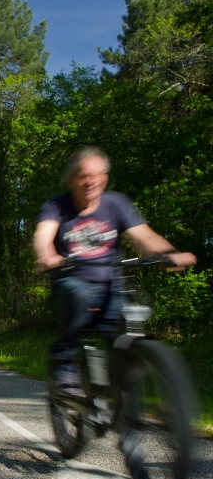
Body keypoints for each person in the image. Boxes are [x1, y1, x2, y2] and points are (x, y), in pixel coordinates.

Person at [33, 146, 196, 397]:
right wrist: (47, 256)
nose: (92, 181)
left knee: (125, 327)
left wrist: (168, 254)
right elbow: (43, 235)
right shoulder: (56, 206)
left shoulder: (116, 203)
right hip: (70, 282)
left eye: (98, 174)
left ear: (106, 177)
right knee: (79, 296)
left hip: (110, 285)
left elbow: (144, 237)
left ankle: (126, 391)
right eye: (84, 175)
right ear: (71, 180)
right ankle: (64, 363)